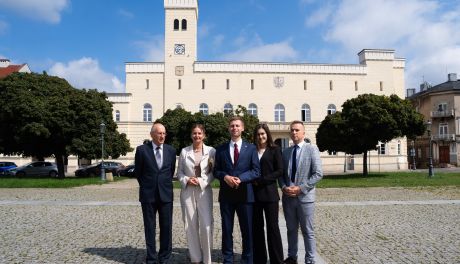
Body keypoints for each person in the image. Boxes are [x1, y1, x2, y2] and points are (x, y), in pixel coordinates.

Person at [214, 116, 260, 264]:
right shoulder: (220, 149)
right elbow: (216, 171)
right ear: (229, 128)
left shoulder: (251, 148)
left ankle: (247, 259)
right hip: (226, 195)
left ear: (243, 128)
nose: (235, 128)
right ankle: (227, 258)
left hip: (246, 194)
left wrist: (241, 178)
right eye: (232, 126)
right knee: (227, 230)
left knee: (247, 230)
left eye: (237, 126)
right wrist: (225, 176)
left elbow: (256, 171)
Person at [279, 121, 323, 264]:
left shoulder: (312, 149)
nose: (294, 133)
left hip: (305, 197)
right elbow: (281, 175)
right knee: (291, 230)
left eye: (297, 130)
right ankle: (292, 257)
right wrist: (284, 187)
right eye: (292, 130)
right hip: (288, 198)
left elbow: (318, 174)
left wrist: (301, 188)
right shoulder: (285, 152)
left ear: (303, 133)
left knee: (307, 231)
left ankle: (310, 260)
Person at [135, 122, 177, 264]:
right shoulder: (141, 150)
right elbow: (138, 173)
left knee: (166, 227)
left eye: (164, 133)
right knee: (150, 227)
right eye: (159, 133)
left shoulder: (171, 150)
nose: (162, 136)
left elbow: (170, 171)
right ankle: (151, 258)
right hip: (148, 195)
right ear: (152, 134)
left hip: (166, 194)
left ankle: (165, 257)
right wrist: (148, 186)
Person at [177, 124, 216, 264]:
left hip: (204, 190)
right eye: (194, 133)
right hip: (187, 191)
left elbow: (213, 173)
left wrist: (201, 181)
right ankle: (195, 257)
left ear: (204, 135)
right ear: (191, 135)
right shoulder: (184, 151)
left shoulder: (211, 151)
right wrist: (187, 180)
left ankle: (207, 258)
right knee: (190, 224)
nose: (197, 136)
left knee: (206, 224)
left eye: (199, 133)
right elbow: (179, 172)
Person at [252, 123, 284, 264]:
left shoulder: (275, 149)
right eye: (258, 134)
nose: (261, 136)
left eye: (263, 133)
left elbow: (280, 170)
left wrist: (263, 180)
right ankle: (260, 259)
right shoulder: (252, 150)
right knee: (257, 228)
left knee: (273, 227)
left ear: (267, 134)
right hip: (254, 194)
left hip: (270, 193)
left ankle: (277, 260)